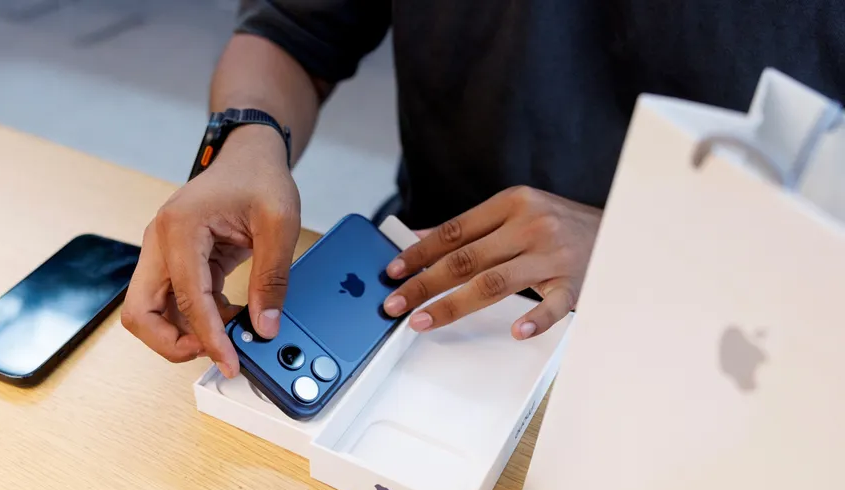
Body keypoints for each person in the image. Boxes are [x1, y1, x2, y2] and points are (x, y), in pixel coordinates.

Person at [122, 1, 844, 377]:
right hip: (420, 281)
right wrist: (247, 138)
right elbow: (290, 32)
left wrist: (639, 247)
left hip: (726, 335)